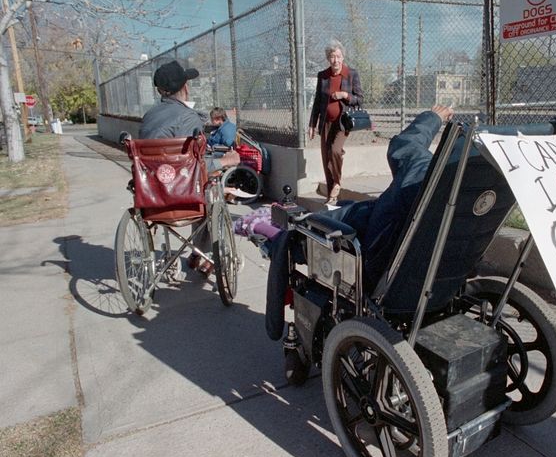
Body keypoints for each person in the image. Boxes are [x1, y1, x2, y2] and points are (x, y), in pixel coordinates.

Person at [262, 104, 453, 340]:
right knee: (345, 210)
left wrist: (433, 117)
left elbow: (404, 145)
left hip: (375, 262)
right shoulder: (468, 191)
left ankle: (275, 322)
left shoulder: (423, 171)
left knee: (291, 235)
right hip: (438, 277)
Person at [139, 59, 241, 274]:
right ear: (185, 87)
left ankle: (197, 253)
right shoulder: (188, 118)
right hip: (183, 199)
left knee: (200, 185)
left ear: (160, 90)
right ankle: (203, 255)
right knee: (211, 190)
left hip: (152, 198)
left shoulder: (148, 118)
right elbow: (196, 166)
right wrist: (225, 161)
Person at [308, 40, 363, 205]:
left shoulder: (351, 74)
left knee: (335, 151)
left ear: (343, 57)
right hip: (326, 122)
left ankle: (337, 182)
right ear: (328, 59)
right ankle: (331, 197)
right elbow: (318, 101)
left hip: (342, 122)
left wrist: (345, 96)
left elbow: (360, 99)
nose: (335, 60)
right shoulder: (323, 76)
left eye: (338, 56)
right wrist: (312, 124)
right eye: (332, 57)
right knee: (326, 160)